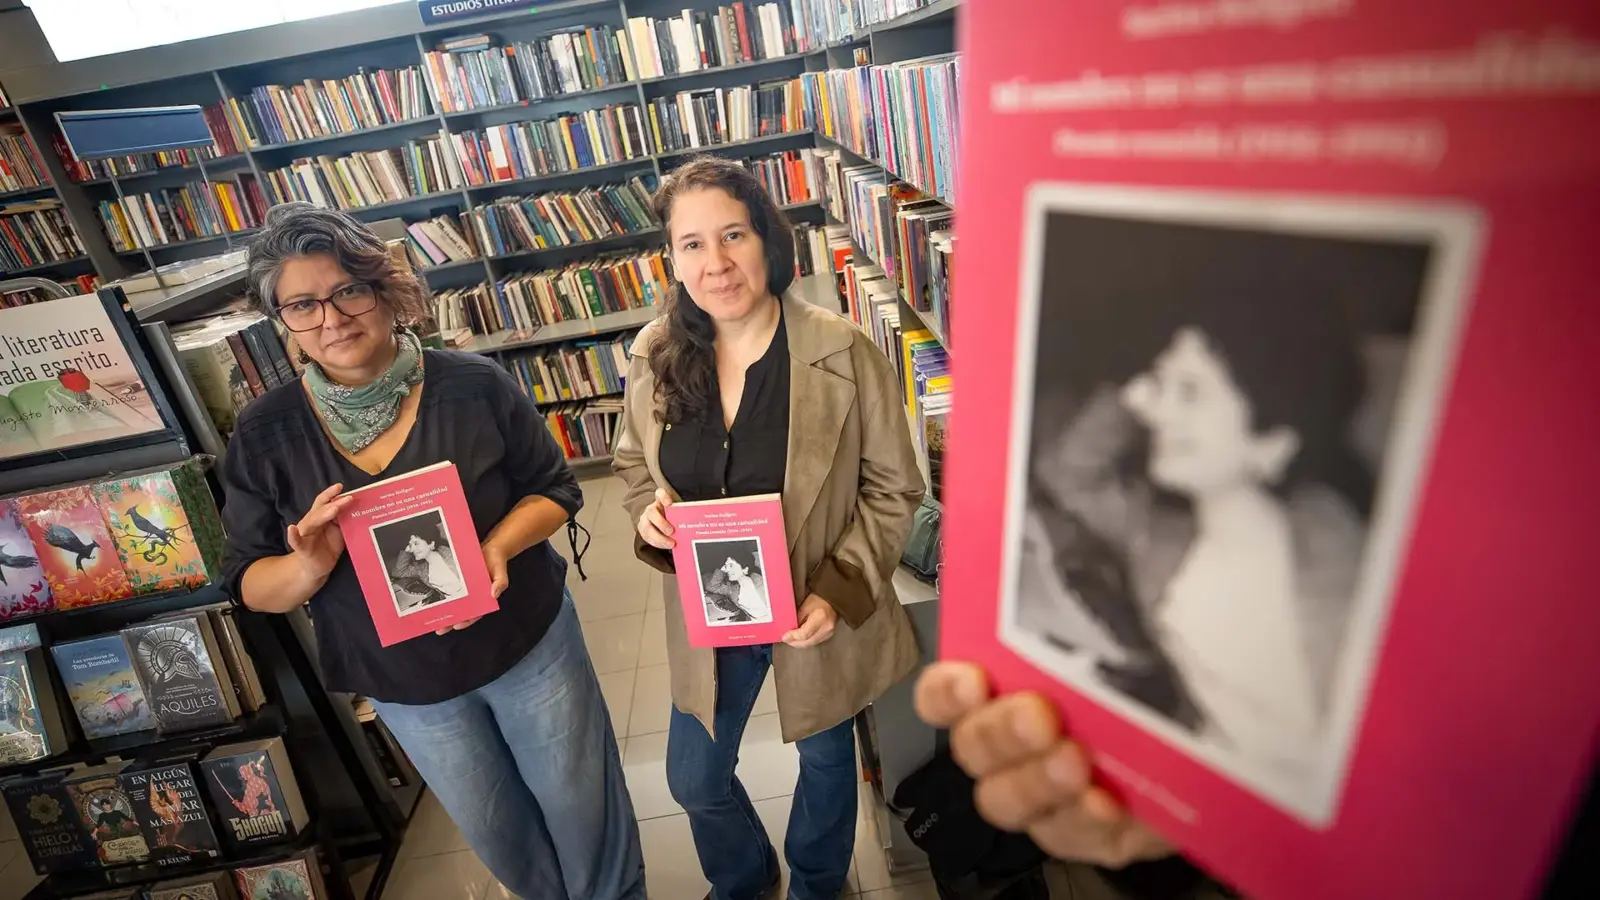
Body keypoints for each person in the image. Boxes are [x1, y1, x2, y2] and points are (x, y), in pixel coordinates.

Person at [220, 202, 644, 900]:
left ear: (381, 288)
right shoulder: (265, 435)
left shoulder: (473, 386)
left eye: (347, 289)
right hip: (405, 684)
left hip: (527, 645)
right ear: (281, 322)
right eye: (302, 305)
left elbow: (554, 489)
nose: (331, 318)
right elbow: (248, 582)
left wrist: (497, 547)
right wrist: (309, 565)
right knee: (500, 833)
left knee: (585, 814)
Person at [613, 156, 927, 900]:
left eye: (733, 236)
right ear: (672, 256)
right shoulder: (655, 353)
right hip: (716, 612)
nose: (715, 263)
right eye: (692, 244)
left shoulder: (842, 349)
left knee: (824, 763)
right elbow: (632, 464)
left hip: (814, 609)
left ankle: (820, 884)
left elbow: (894, 487)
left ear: (768, 241)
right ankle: (747, 881)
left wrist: (839, 588)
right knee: (693, 778)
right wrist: (648, 514)